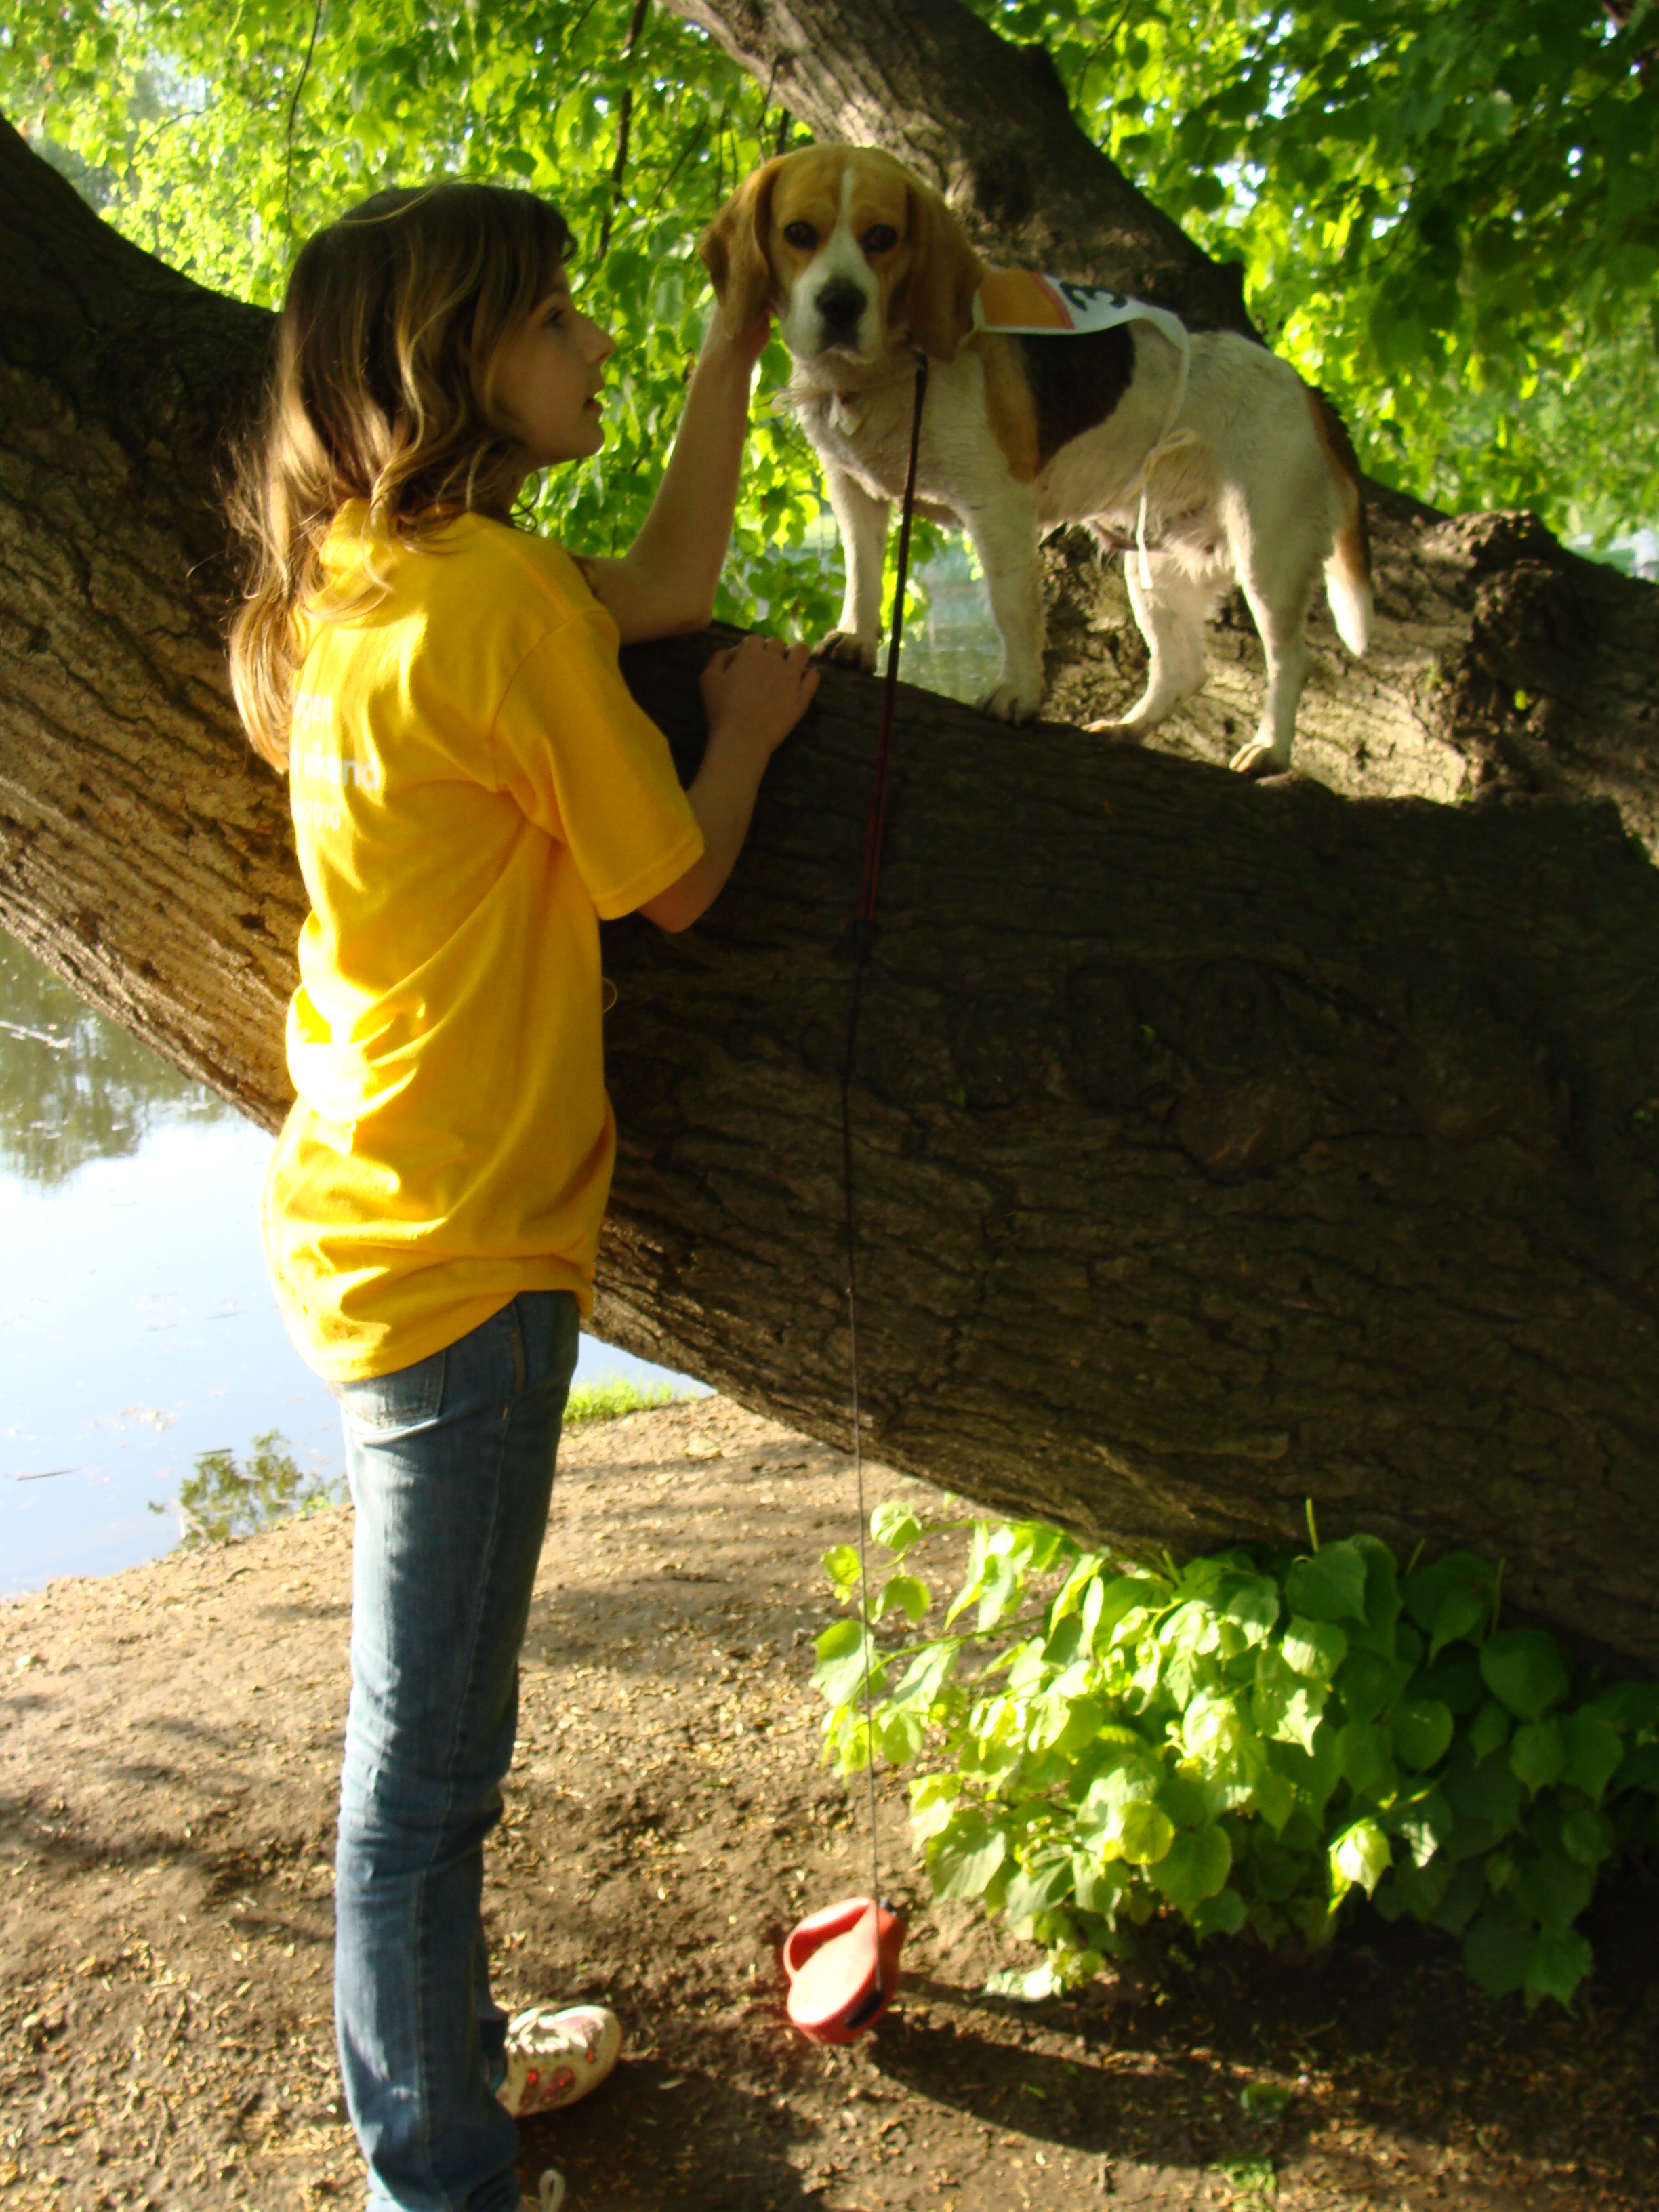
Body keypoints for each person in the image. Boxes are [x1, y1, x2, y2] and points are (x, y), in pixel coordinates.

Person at [226, 180, 819, 2212]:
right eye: (559, 318)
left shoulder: (380, 581)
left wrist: (739, 338)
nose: (593, 344)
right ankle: (433, 2171)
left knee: (428, 1752)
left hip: (377, 1206)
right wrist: (739, 734)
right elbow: (677, 881)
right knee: (425, 1774)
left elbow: (661, 568)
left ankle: (454, 2071)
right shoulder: (487, 611)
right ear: (460, 358)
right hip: (463, 1252)